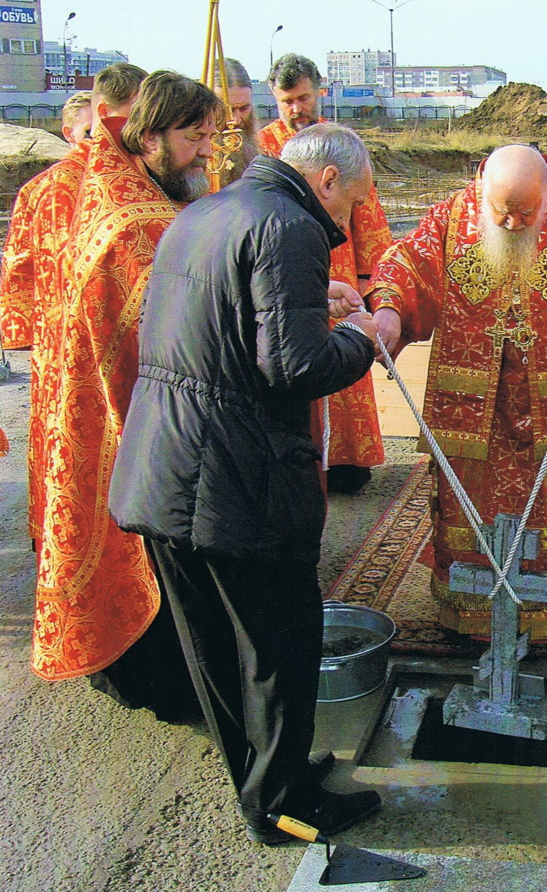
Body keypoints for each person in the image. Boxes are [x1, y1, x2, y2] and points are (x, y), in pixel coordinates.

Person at [108, 123, 383, 844]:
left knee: (214, 644)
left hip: (165, 464)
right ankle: (284, 805)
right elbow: (293, 368)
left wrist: (314, 303)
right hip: (236, 479)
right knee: (279, 644)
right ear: (325, 182)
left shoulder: (211, 209)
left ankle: (265, 776)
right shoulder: (290, 226)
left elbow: (223, 322)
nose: (349, 218)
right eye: (351, 201)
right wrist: (367, 333)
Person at [368, 144, 547, 643]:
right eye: (501, 212)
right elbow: (406, 263)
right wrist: (389, 310)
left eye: (525, 213)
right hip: (471, 399)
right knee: (471, 507)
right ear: (482, 186)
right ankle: (468, 615)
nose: (512, 224)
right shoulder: (450, 216)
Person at [31, 71, 219, 721]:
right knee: (140, 540)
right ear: (155, 133)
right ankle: (160, 683)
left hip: (91, 396)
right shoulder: (133, 220)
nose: (206, 154)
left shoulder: (123, 186)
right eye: (195, 137)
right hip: (118, 411)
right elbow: (178, 329)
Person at [1, 65, 146, 552]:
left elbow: (17, 290)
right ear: (106, 115)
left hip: (57, 361)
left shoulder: (37, 190)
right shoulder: (136, 187)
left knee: (70, 465)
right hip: (118, 352)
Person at [260, 52, 391, 493]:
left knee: (345, 360)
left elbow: (366, 220)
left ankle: (348, 460)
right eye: (286, 102)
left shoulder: (341, 145)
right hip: (285, 277)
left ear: (321, 91)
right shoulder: (262, 148)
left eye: (303, 98)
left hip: (340, 275)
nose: (296, 110)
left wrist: (370, 285)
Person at [212, 57, 261, 186]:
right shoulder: (191, 161)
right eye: (229, 110)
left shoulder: (265, 152)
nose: (236, 120)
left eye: (244, 108)